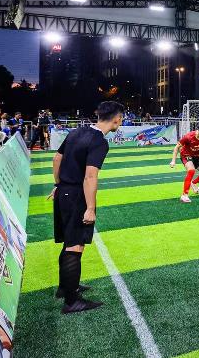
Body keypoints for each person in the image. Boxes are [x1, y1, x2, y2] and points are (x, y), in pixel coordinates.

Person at [50, 101, 124, 314]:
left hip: (64, 192)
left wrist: (59, 184)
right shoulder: (99, 141)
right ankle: (72, 301)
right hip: (76, 196)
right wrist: (90, 208)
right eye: (121, 119)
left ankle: (65, 287)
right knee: (75, 245)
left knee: (69, 242)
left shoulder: (76, 132)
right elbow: (90, 176)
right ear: (117, 119)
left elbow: (57, 159)